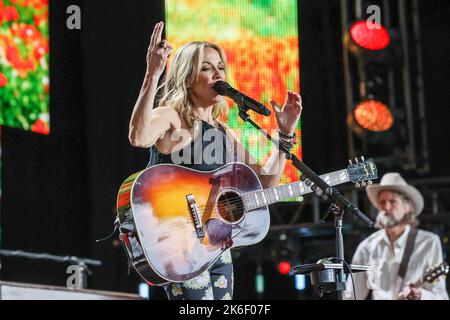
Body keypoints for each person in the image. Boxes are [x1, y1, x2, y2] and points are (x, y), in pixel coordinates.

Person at [128, 21, 303, 300]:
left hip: (216, 245)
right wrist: (153, 73)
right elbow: (138, 136)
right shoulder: (172, 116)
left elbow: (266, 183)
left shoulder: (224, 131)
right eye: (207, 68)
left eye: (220, 67)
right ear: (187, 77)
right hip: (179, 243)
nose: (217, 74)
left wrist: (285, 134)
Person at [344, 172, 449, 300]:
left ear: (407, 207)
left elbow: (441, 296)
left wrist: (421, 295)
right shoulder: (367, 247)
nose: (386, 207)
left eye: (392, 201)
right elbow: (352, 295)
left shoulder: (429, 242)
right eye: (382, 202)